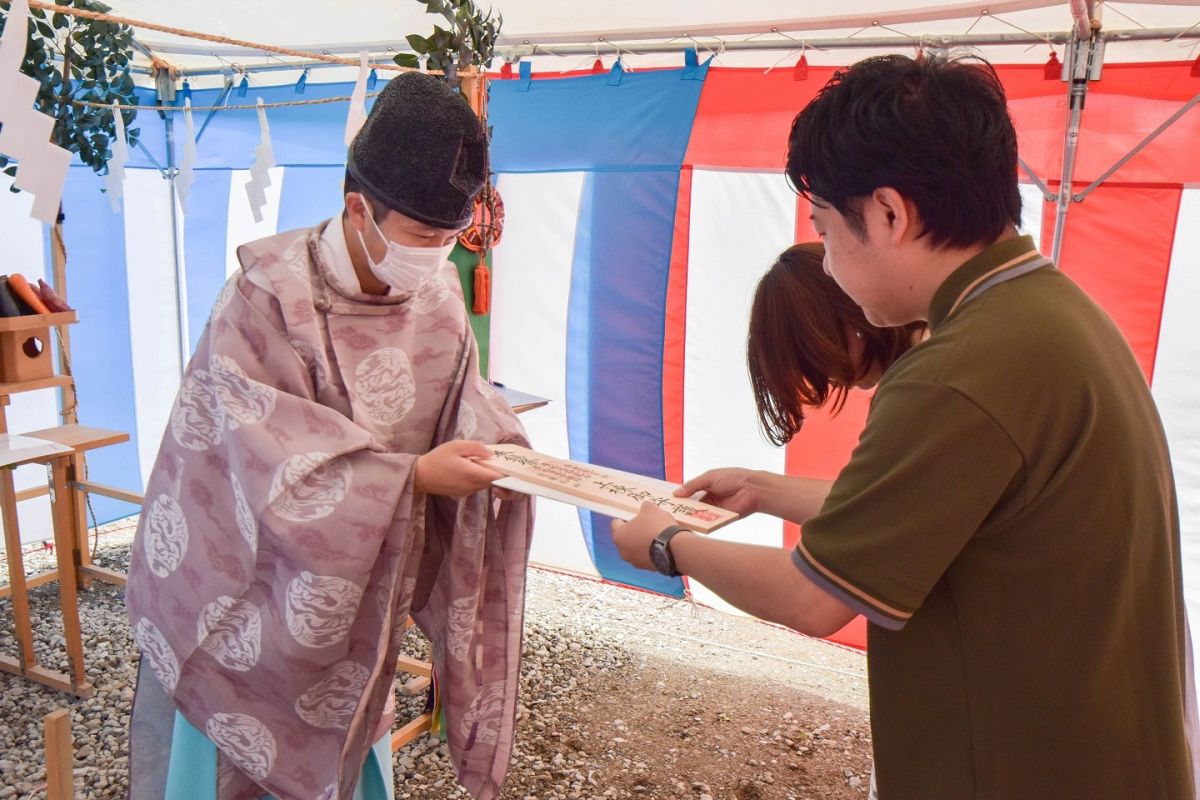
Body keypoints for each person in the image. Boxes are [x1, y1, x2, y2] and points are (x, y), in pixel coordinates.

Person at [613, 53, 1195, 798]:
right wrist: (765, 488)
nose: (826, 266)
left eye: (825, 230)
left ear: (889, 213)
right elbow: (946, 516)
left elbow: (811, 598)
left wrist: (667, 545)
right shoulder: (1050, 314)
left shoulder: (957, 371)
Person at [126, 72, 533, 800]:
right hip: (249, 600)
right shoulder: (267, 298)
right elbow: (263, 460)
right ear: (358, 208)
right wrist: (412, 480)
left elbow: (464, 400)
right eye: (421, 235)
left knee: (347, 743)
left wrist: (502, 449)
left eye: (449, 237)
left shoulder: (437, 295)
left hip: (358, 606)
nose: (437, 254)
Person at [747, 241, 922, 447]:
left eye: (812, 358)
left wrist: (746, 480)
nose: (829, 378)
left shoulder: (918, 383)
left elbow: (870, 480)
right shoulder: (915, 368)